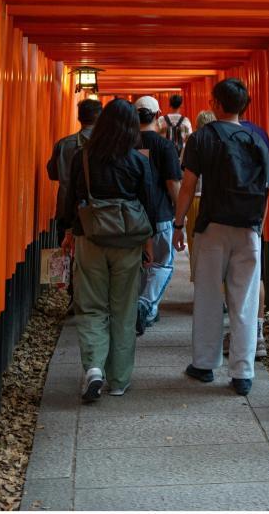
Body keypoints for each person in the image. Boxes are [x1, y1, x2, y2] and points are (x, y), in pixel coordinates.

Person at [173, 78, 269, 396]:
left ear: (216, 104)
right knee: (243, 301)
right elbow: (268, 189)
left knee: (208, 296)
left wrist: (178, 224)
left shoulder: (203, 137)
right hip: (248, 229)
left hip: (213, 227)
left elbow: (188, 185)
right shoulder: (257, 137)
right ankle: (243, 374)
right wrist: (259, 227)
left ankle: (204, 365)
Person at [61, 99, 156, 403]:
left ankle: (93, 368)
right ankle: (118, 380)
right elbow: (149, 204)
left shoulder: (83, 157)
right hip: (128, 243)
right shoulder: (139, 161)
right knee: (123, 309)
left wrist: (67, 230)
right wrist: (149, 242)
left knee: (90, 306)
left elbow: (71, 196)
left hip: (91, 238)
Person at [223, 97, 269, 359]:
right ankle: (256, 335)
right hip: (253, 216)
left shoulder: (216, 133)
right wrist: (262, 221)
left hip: (222, 218)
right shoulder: (259, 134)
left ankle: (237, 333)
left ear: (216, 104)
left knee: (229, 278)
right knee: (255, 277)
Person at [134, 96, 182, 334]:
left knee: (140, 263)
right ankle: (144, 304)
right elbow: (173, 183)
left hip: (132, 214)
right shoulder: (165, 146)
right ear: (157, 114)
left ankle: (146, 310)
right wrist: (180, 214)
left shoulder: (126, 144)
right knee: (162, 264)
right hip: (161, 212)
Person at [46, 98, 103, 246]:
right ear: (101, 118)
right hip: (97, 210)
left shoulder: (63, 144)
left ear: (79, 118)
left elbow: (52, 174)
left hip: (66, 210)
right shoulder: (106, 146)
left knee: (65, 257)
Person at [185, 110, 216, 278]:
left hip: (195, 199)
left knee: (195, 242)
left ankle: (198, 277)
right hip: (215, 200)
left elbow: (186, 178)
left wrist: (179, 218)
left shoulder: (194, 140)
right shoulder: (222, 139)